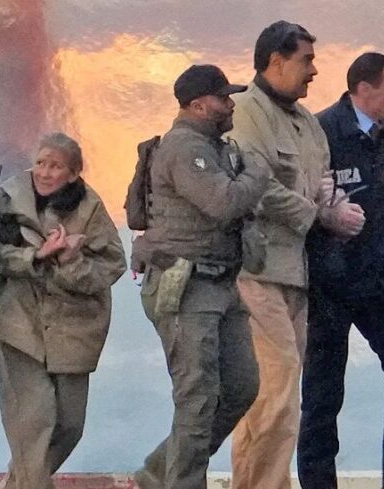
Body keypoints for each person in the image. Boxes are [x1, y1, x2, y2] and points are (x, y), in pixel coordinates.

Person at [227, 21, 365, 489]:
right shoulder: (245, 113)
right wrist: (321, 216)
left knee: (278, 398)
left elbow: (324, 184)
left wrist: (340, 208)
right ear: (276, 61)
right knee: (276, 392)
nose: (314, 71)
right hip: (256, 272)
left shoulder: (308, 124)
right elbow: (258, 187)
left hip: (296, 276)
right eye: (306, 60)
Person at [298, 53, 384, 489]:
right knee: (323, 395)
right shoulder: (321, 133)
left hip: (381, 282)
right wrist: (327, 216)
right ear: (363, 89)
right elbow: (296, 202)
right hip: (330, 285)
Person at [132, 64, 270, 489]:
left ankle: (160, 472)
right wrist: (258, 171)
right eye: (222, 98)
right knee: (197, 399)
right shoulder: (183, 149)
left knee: (241, 387)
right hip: (186, 287)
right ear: (196, 105)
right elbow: (223, 202)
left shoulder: (215, 148)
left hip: (221, 283)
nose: (230, 105)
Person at [0, 132, 126, 489]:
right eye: (40, 163)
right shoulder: (8, 198)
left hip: (73, 327)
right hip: (18, 322)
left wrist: (71, 259)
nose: (44, 172)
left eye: (55, 166)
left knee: (69, 426)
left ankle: (16, 485)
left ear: (73, 173)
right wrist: (36, 255)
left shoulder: (90, 208)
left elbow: (112, 265)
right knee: (33, 424)